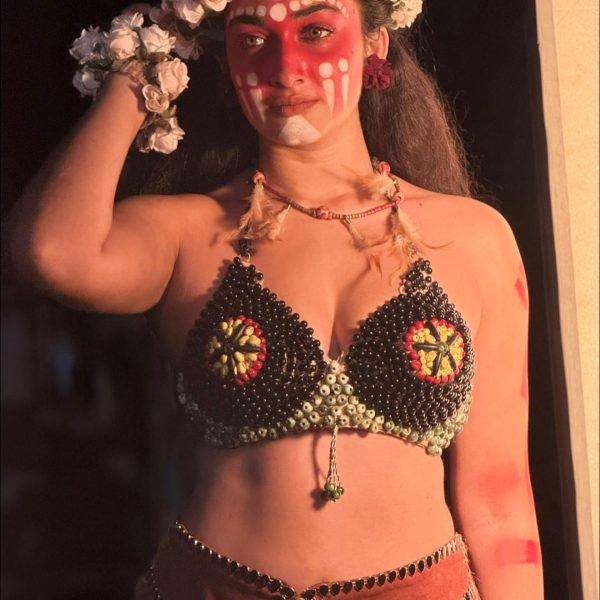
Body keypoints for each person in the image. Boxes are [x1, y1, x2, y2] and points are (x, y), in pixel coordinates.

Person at [7, 0, 544, 597]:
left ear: (375, 44)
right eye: (253, 39)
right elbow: (54, 253)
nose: (285, 68)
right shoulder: (189, 233)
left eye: (315, 31)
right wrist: (141, 61)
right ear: (221, 60)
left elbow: (499, 501)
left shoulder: (473, 239)